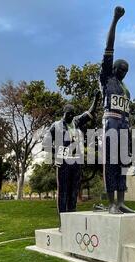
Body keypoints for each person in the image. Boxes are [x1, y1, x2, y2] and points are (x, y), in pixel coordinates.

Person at [42, 91, 100, 230]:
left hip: (77, 163)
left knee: (73, 192)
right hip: (63, 164)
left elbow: (90, 112)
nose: (70, 116)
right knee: (63, 192)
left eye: (72, 114)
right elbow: (45, 144)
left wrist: (96, 98)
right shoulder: (55, 126)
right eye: (68, 114)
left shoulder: (77, 122)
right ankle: (63, 223)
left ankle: (72, 221)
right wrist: (59, 153)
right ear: (64, 113)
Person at [100, 6, 135, 214]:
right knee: (111, 165)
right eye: (120, 69)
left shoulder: (126, 90)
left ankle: (121, 202)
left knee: (123, 164)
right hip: (110, 127)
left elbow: (128, 115)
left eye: (126, 71)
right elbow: (109, 46)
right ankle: (111, 203)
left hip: (124, 127)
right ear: (113, 68)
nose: (123, 72)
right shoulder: (107, 79)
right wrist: (115, 20)